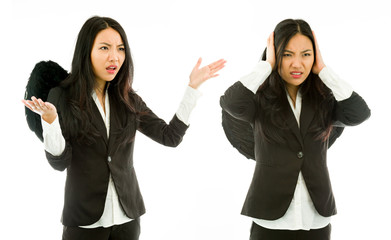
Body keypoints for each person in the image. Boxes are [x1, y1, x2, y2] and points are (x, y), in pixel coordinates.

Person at [22, 16, 225, 240]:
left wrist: (192, 88)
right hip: (84, 222)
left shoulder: (127, 99)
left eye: (120, 49)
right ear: (86, 52)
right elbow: (59, 162)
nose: (114, 57)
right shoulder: (62, 96)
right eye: (104, 48)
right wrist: (50, 121)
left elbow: (170, 137)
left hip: (128, 220)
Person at [220, 19, 370, 240]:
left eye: (306, 55)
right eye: (287, 55)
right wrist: (266, 66)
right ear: (275, 55)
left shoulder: (323, 98)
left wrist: (324, 71)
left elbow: (359, 114)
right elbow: (231, 103)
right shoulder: (259, 98)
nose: (297, 64)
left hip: (316, 218)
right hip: (270, 219)